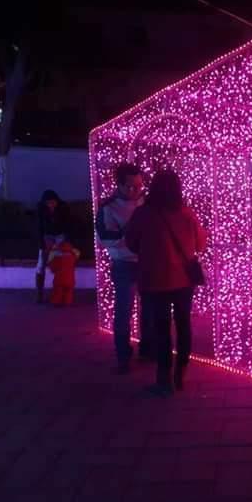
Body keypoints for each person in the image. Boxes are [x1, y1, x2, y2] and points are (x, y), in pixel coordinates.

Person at [126, 169, 208, 397]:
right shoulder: (186, 213)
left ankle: (164, 380)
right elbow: (201, 244)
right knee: (183, 326)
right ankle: (180, 374)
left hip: (154, 282)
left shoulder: (143, 213)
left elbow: (132, 243)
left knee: (161, 329)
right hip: (183, 281)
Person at [96, 163, 151, 374]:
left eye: (138, 186)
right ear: (118, 185)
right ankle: (123, 356)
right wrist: (131, 230)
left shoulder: (146, 202)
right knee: (124, 311)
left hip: (147, 262)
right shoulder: (108, 208)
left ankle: (147, 349)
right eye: (129, 186)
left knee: (149, 310)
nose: (135, 191)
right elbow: (105, 238)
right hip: (124, 264)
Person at [36, 190, 71, 303]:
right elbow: (39, 227)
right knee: (41, 265)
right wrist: (42, 245)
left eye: (53, 202)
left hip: (60, 237)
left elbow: (67, 225)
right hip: (47, 237)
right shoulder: (41, 210)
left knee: (61, 265)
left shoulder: (63, 208)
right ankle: (39, 292)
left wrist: (64, 242)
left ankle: (60, 294)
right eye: (48, 203)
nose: (51, 205)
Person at [47, 240, 80, 306]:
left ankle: (56, 302)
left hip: (59, 278)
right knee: (68, 291)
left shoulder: (57, 256)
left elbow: (52, 268)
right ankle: (67, 302)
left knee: (58, 291)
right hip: (70, 278)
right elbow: (77, 256)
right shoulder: (72, 256)